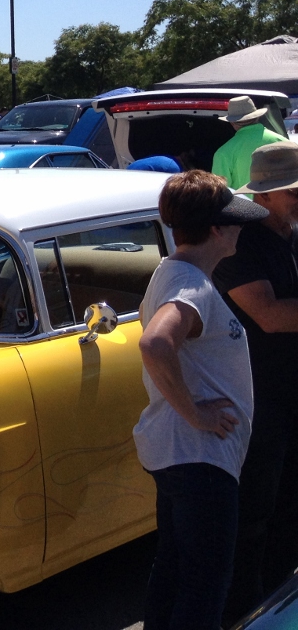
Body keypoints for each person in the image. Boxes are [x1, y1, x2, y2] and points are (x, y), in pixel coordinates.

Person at [133, 170, 265, 630]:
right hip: (199, 459)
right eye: (235, 220)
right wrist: (197, 414)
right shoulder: (190, 284)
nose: (241, 228)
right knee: (205, 584)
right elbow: (155, 343)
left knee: (174, 572)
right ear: (216, 229)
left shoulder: (173, 272)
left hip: (182, 455)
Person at [214, 142, 298, 623]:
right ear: (265, 196)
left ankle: (279, 605)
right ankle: (245, 613)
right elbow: (269, 315)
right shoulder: (242, 244)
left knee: (289, 508)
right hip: (257, 401)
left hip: (289, 396)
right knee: (254, 517)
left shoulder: (290, 233)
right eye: (294, 192)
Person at [213, 96, 286, 189]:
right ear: (257, 117)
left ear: (232, 122)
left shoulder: (223, 153)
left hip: (242, 199)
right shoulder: (283, 143)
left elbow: (221, 191)